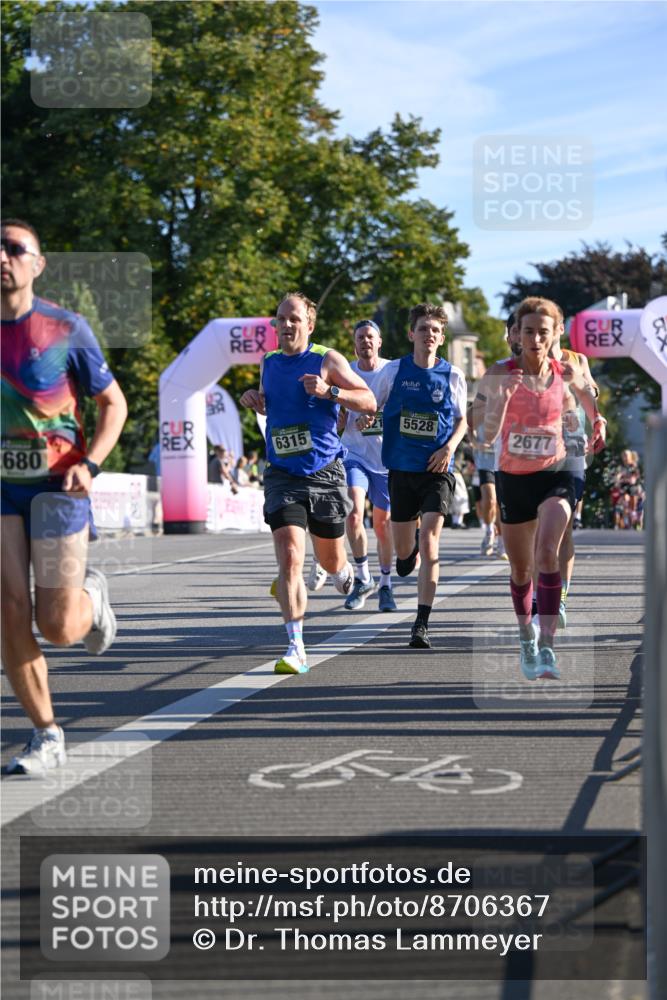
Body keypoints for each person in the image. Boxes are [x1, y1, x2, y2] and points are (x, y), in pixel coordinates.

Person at [1, 218, 127, 775]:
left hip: (58, 484)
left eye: (13, 248)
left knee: (58, 626)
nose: (2, 257)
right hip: (2, 489)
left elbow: (113, 404)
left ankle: (91, 600)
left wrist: (91, 463)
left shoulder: (65, 328)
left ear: (37, 263)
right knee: (9, 609)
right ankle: (46, 734)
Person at [240, 292, 375, 674]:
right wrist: (254, 398)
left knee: (330, 560)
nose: (285, 325)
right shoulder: (268, 362)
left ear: (309, 325)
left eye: (294, 319)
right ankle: (296, 647)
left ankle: (343, 571)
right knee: (290, 557)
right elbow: (270, 402)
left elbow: (368, 401)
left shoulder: (327, 360)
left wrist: (330, 391)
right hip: (282, 473)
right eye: (280, 318)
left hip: (324, 474)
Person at [472, 296, 605, 681]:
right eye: (528, 331)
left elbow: (587, 400)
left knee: (548, 549)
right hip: (514, 476)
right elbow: (483, 435)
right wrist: (501, 403)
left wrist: (598, 422)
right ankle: (526, 635)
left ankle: (547, 644)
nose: (535, 339)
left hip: (558, 470)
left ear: (555, 334)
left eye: (542, 332)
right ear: (517, 334)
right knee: (520, 569)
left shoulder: (568, 370)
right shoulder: (499, 374)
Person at [361, 302, 468, 649]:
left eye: (435, 330)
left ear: (442, 337)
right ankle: (409, 552)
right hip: (401, 470)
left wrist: (449, 448)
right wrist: (364, 416)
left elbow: (462, 420)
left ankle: (421, 623)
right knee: (405, 557)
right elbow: (371, 402)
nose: (429, 335)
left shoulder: (453, 375)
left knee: (431, 542)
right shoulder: (394, 371)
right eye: (423, 329)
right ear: (412, 334)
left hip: (437, 469)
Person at [308, 319, 398, 612]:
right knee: (354, 514)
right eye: (360, 337)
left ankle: (385, 583)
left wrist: (377, 416)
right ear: (354, 343)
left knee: (383, 526)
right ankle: (362, 577)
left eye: (370, 336)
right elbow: (330, 416)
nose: (365, 341)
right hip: (354, 454)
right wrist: (340, 419)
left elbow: (402, 409)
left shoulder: (392, 370)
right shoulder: (344, 371)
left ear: (379, 342)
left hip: (386, 459)